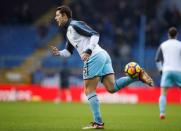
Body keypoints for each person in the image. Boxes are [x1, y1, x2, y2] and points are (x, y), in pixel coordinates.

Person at [50, 5, 154, 129]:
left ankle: (98, 122)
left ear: (65, 16)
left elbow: (95, 34)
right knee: (112, 88)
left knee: (89, 90)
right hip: (102, 55)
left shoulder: (75, 25)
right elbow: (68, 52)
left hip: (94, 56)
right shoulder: (69, 32)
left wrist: (88, 51)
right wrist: (59, 53)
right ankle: (137, 77)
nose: (56, 18)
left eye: (57, 15)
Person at [155, 27, 181, 120]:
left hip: (166, 71)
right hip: (178, 71)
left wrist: (161, 70)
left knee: (163, 93)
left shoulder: (163, 44)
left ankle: (162, 113)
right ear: (176, 35)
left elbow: (157, 59)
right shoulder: (180, 45)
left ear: (168, 35)